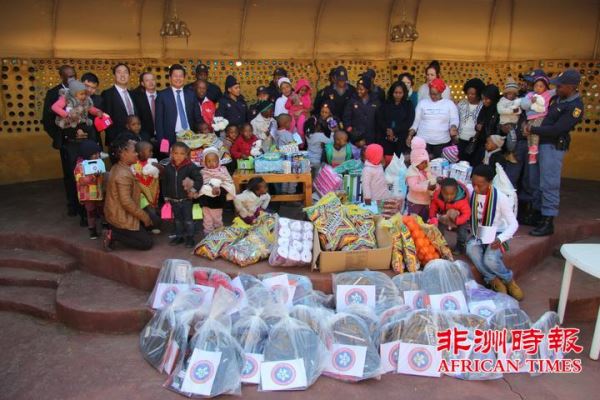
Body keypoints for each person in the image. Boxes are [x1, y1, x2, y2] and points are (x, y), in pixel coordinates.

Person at [525, 69, 584, 237]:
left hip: (552, 146)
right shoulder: (557, 98)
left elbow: (558, 129)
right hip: (538, 144)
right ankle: (537, 214)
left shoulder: (575, 106)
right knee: (535, 181)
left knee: (549, 183)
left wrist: (533, 129)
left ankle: (548, 220)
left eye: (560, 86)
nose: (556, 88)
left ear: (571, 87)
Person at [467, 165, 522, 300]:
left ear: (490, 182)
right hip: (479, 233)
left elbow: (514, 224)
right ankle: (493, 280)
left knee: (490, 259)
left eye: (480, 185)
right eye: (473, 184)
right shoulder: (471, 191)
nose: (476, 188)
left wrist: (501, 238)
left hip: (497, 234)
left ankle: (508, 280)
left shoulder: (500, 198)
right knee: (471, 250)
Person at [103, 136, 153, 251]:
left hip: (120, 213)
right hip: (120, 218)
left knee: (155, 221)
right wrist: (144, 217)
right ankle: (113, 235)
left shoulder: (119, 166)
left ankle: (118, 231)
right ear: (123, 153)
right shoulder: (122, 174)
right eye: (134, 151)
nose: (137, 154)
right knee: (147, 243)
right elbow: (126, 202)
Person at [161, 142, 203, 248]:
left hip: (186, 199)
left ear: (186, 155)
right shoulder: (168, 167)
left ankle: (190, 238)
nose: (178, 156)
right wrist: (166, 196)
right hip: (173, 199)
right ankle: (179, 236)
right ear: (171, 154)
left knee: (188, 220)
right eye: (176, 153)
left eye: (182, 153)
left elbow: (199, 180)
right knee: (177, 220)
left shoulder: (191, 167)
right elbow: (164, 182)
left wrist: (193, 190)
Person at [188, 147, 235, 234]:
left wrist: (218, 188)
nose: (211, 163)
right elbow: (199, 184)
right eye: (208, 161)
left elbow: (228, 183)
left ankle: (219, 233)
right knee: (207, 219)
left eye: (214, 160)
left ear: (218, 161)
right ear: (204, 162)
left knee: (217, 218)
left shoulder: (222, 171)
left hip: (217, 201)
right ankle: (208, 233)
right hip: (205, 201)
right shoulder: (202, 172)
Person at [407, 78, 459, 158]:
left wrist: (453, 127)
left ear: (441, 92)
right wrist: (410, 135)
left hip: (442, 142)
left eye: (435, 94)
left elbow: (454, 119)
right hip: (423, 142)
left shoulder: (449, 104)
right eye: (431, 93)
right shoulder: (422, 103)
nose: (432, 96)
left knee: (440, 164)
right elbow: (416, 122)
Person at [155, 64, 203, 149]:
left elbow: (197, 117)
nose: (178, 78)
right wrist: (163, 146)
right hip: (171, 138)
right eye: (175, 76)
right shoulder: (162, 96)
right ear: (170, 78)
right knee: (169, 157)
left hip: (190, 137)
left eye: (180, 76)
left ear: (184, 78)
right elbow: (159, 123)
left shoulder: (191, 94)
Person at [429, 177, 471, 255]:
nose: (449, 197)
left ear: (456, 191)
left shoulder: (462, 200)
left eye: (452, 194)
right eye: (446, 194)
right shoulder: (437, 195)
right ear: (441, 191)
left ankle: (460, 246)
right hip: (445, 216)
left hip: (458, 218)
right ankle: (439, 243)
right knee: (438, 227)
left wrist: (457, 221)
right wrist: (432, 217)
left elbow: (466, 214)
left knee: (462, 232)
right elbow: (434, 205)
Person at [74, 140, 105, 239]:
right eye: (94, 154)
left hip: (98, 192)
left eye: (98, 153)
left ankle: (104, 224)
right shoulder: (80, 166)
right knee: (91, 212)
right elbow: (81, 181)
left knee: (102, 209)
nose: (97, 156)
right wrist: (93, 176)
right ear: (86, 154)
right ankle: (92, 230)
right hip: (88, 195)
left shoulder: (99, 162)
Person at [520, 72, 553, 164]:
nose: (538, 88)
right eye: (536, 86)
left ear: (545, 87)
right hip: (530, 118)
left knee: (534, 132)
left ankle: (534, 151)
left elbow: (556, 90)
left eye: (541, 86)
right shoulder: (530, 95)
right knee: (528, 133)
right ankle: (531, 151)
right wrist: (531, 101)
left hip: (540, 117)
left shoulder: (547, 94)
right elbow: (523, 105)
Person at [101, 63, 137, 145]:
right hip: (117, 141)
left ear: (129, 75)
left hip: (134, 139)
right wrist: (114, 141)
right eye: (119, 72)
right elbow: (106, 119)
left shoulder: (133, 94)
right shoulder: (107, 94)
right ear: (114, 75)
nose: (122, 75)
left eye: (125, 72)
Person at [131, 141, 161, 235]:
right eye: (149, 151)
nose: (152, 153)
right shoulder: (134, 164)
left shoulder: (153, 162)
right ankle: (147, 226)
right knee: (144, 209)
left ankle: (154, 225)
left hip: (152, 191)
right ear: (140, 153)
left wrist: (158, 168)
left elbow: (157, 174)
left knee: (152, 209)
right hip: (140, 192)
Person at [43, 64, 76, 150]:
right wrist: (58, 136)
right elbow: (47, 118)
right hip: (63, 137)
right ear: (61, 77)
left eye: (74, 76)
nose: (73, 79)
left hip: (80, 134)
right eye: (70, 77)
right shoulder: (52, 93)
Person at [343, 76, 382, 145]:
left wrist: (377, 137)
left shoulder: (376, 101)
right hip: (356, 140)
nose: (358, 91)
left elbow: (379, 121)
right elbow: (346, 119)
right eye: (357, 89)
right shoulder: (352, 101)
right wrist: (353, 134)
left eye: (361, 89)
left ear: (367, 89)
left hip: (371, 138)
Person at [382, 80, 415, 161]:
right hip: (387, 137)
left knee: (401, 162)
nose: (397, 95)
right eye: (395, 93)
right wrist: (388, 130)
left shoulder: (408, 104)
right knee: (388, 162)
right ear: (391, 92)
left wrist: (394, 131)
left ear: (404, 93)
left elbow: (409, 121)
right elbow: (381, 119)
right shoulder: (385, 104)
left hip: (402, 138)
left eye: (400, 93)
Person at [405, 136, 436, 220]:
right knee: (413, 220)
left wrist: (435, 181)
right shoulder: (412, 172)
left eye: (426, 162)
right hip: (415, 201)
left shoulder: (426, 170)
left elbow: (432, 178)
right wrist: (427, 187)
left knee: (424, 219)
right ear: (415, 162)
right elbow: (414, 186)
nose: (425, 165)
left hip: (425, 201)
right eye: (422, 163)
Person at [457, 78, 485, 164]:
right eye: (468, 93)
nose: (469, 96)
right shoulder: (461, 104)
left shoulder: (483, 106)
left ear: (479, 94)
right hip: (461, 140)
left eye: (473, 94)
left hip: (476, 142)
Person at [472, 84, 501, 166]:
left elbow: (498, 129)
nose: (484, 101)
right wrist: (477, 127)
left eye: (487, 99)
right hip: (481, 143)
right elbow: (479, 121)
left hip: (493, 146)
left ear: (493, 98)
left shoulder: (498, 110)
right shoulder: (484, 109)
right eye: (483, 99)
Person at [497, 78, 521, 164]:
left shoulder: (517, 100)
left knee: (514, 138)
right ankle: (509, 152)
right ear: (506, 93)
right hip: (505, 123)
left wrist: (513, 110)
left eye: (513, 93)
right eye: (509, 93)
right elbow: (500, 110)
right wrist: (512, 110)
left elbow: (519, 111)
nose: (511, 95)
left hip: (515, 124)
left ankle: (511, 153)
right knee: (512, 137)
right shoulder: (502, 101)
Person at [131, 71, 157, 142]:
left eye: (152, 79)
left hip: (164, 136)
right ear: (142, 83)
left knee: (165, 149)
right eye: (147, 80)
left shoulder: (162, 96)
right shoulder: (137, 99)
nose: (151, 82)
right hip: (145, 137)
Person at [81, 72, 104, 147]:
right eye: (86, 86)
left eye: (93, 88)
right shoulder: (72, 97)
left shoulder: (99, 100)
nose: (89, 90)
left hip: (94, 138)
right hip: (76, 139)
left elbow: (101, 122)